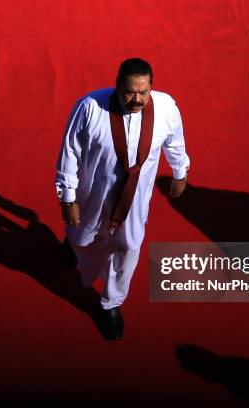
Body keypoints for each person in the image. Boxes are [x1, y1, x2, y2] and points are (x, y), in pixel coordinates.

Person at [54, 58, 190, 340]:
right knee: (82, 237)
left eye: (143, 92)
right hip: (94, 193)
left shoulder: (165, 108)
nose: (137, 99)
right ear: (116, 87)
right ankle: (72, 241)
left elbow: (175, 142)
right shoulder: (90, 107)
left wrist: (180, 172)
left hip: (136, 199)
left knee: (129, 245)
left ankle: (111, 304)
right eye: (130, 92)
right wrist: (68, 199)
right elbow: (70, 153)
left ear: (151, 87)